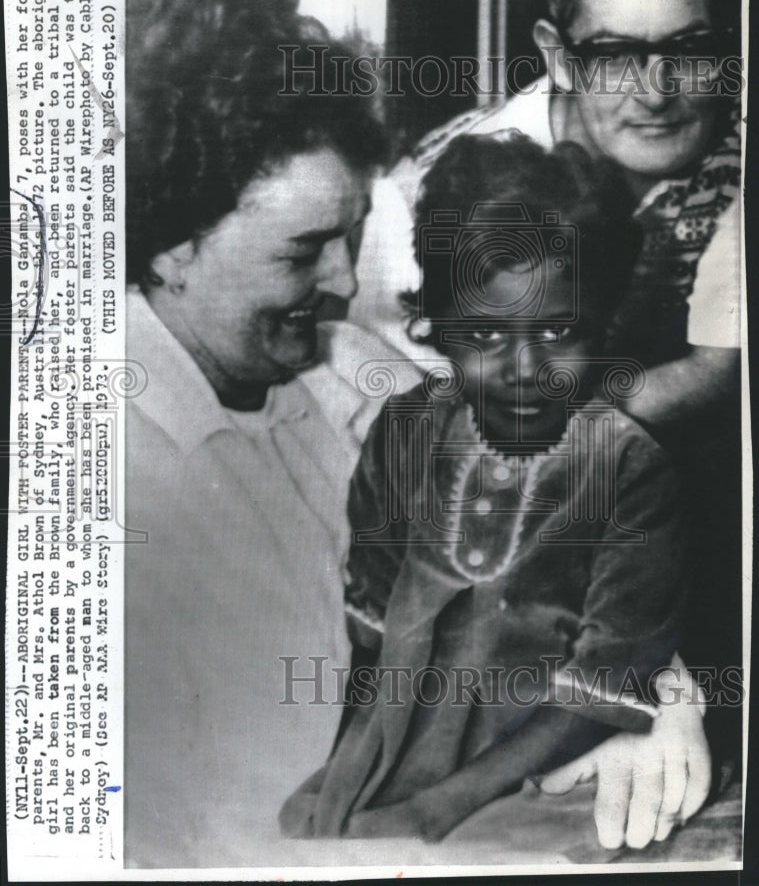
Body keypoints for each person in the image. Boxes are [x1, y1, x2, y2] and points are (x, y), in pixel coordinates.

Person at [350, 0, 741, 846]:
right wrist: (644, 681)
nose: (655, 88)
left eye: (688, 47)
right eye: (611, 53)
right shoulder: (425, 216)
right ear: (556, 52)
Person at [280, 134, 690, 844]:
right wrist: (346, 772)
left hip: (543, 771)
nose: (525, 366)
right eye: (485, 335)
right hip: (394, 755)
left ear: (604, 321)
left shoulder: (629, 468)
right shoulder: (405, 430)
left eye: (560, 329)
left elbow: (605, 684)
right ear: (437, 325)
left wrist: (436, 809)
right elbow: (369, 632)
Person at [123, 0, 421, 867]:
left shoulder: (333, 369)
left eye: (352, 234)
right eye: (302, 251)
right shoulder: (109, 477)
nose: (339, 281)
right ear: (173, 245)